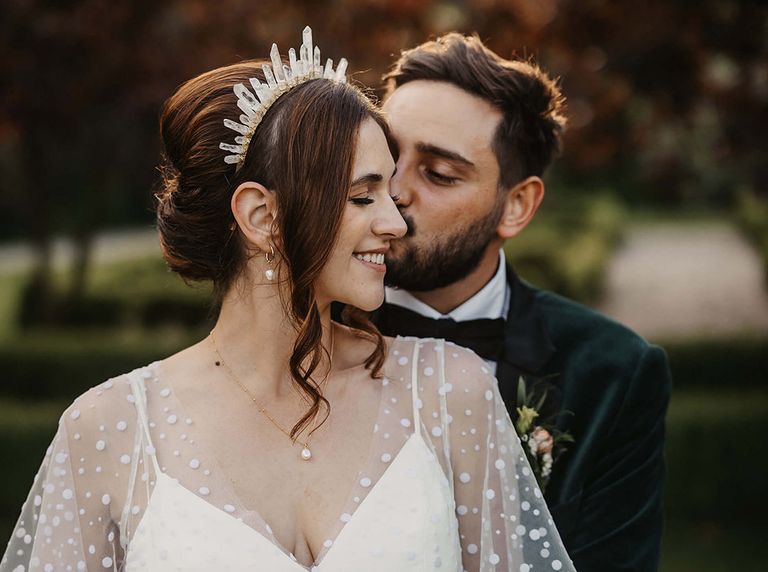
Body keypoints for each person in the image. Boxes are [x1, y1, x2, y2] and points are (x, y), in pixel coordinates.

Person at [1, 28, 575, 572]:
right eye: (361, 196)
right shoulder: (111, 429)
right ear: (260, 216)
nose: (395, 221)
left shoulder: (449, 392)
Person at [371, 33, 672, 572]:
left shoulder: (613, 374)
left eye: (438, 173)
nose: (393, 189)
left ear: (516, 206)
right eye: (385, 155)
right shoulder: (298, 331)